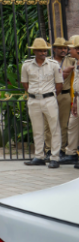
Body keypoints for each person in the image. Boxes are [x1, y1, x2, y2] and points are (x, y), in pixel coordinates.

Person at [21, 38, 62, 167]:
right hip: (34, 100)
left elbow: (59, 84)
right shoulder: (26, 65)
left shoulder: (54, 65)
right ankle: (39, 156)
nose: (43, 53)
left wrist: (50, 96)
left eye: (45, 50)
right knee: (37, 129)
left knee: (54, 129)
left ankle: (55, 157)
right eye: (40, 50)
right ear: (34, 51)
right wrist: (35, 94)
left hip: (49, 99)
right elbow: (25, 84)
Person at [46, 37, 74, 160]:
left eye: (65, 48)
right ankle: (48, 150)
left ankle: (61, 150)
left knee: (63, 124)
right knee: (49, 123)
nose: (63, 50)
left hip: (64, 95)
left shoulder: (72, 61)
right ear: (54, 49)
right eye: (61, 48)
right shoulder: (47, 62)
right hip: (49, 95)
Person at [60, 35, 79, 166]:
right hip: (78, 96)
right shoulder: (77, 62)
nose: (68, 50)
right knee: (72, 125)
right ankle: (71, 153)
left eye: (70, 48)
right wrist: (75, 101)